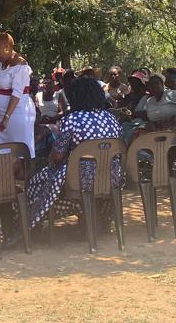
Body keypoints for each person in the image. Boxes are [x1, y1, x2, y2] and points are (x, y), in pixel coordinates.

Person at [24, 77, 122, 233]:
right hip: (111, 177)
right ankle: (95, 219)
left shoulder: (72, 120)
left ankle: (33, 224)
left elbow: (57, 156)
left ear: (75, 97)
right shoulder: (111, 118)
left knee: (38, 182)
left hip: (81, 181)